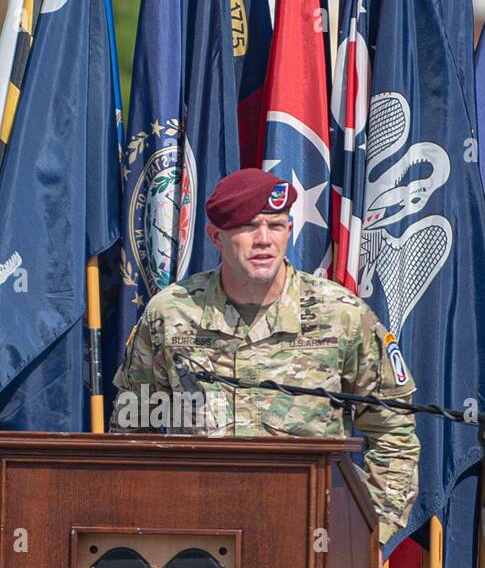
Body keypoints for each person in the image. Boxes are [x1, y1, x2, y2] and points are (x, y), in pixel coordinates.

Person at [110, 167, 420, 545]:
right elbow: (133, 429)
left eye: (275, 226)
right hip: (197, 537)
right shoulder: (172, 313)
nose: (263, 241)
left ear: (289, 231)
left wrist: (370, 534)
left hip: (310, 538)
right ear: (216, 237)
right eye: (248, 227)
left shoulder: (340, 315)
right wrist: (150, 525)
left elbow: (393, 432)